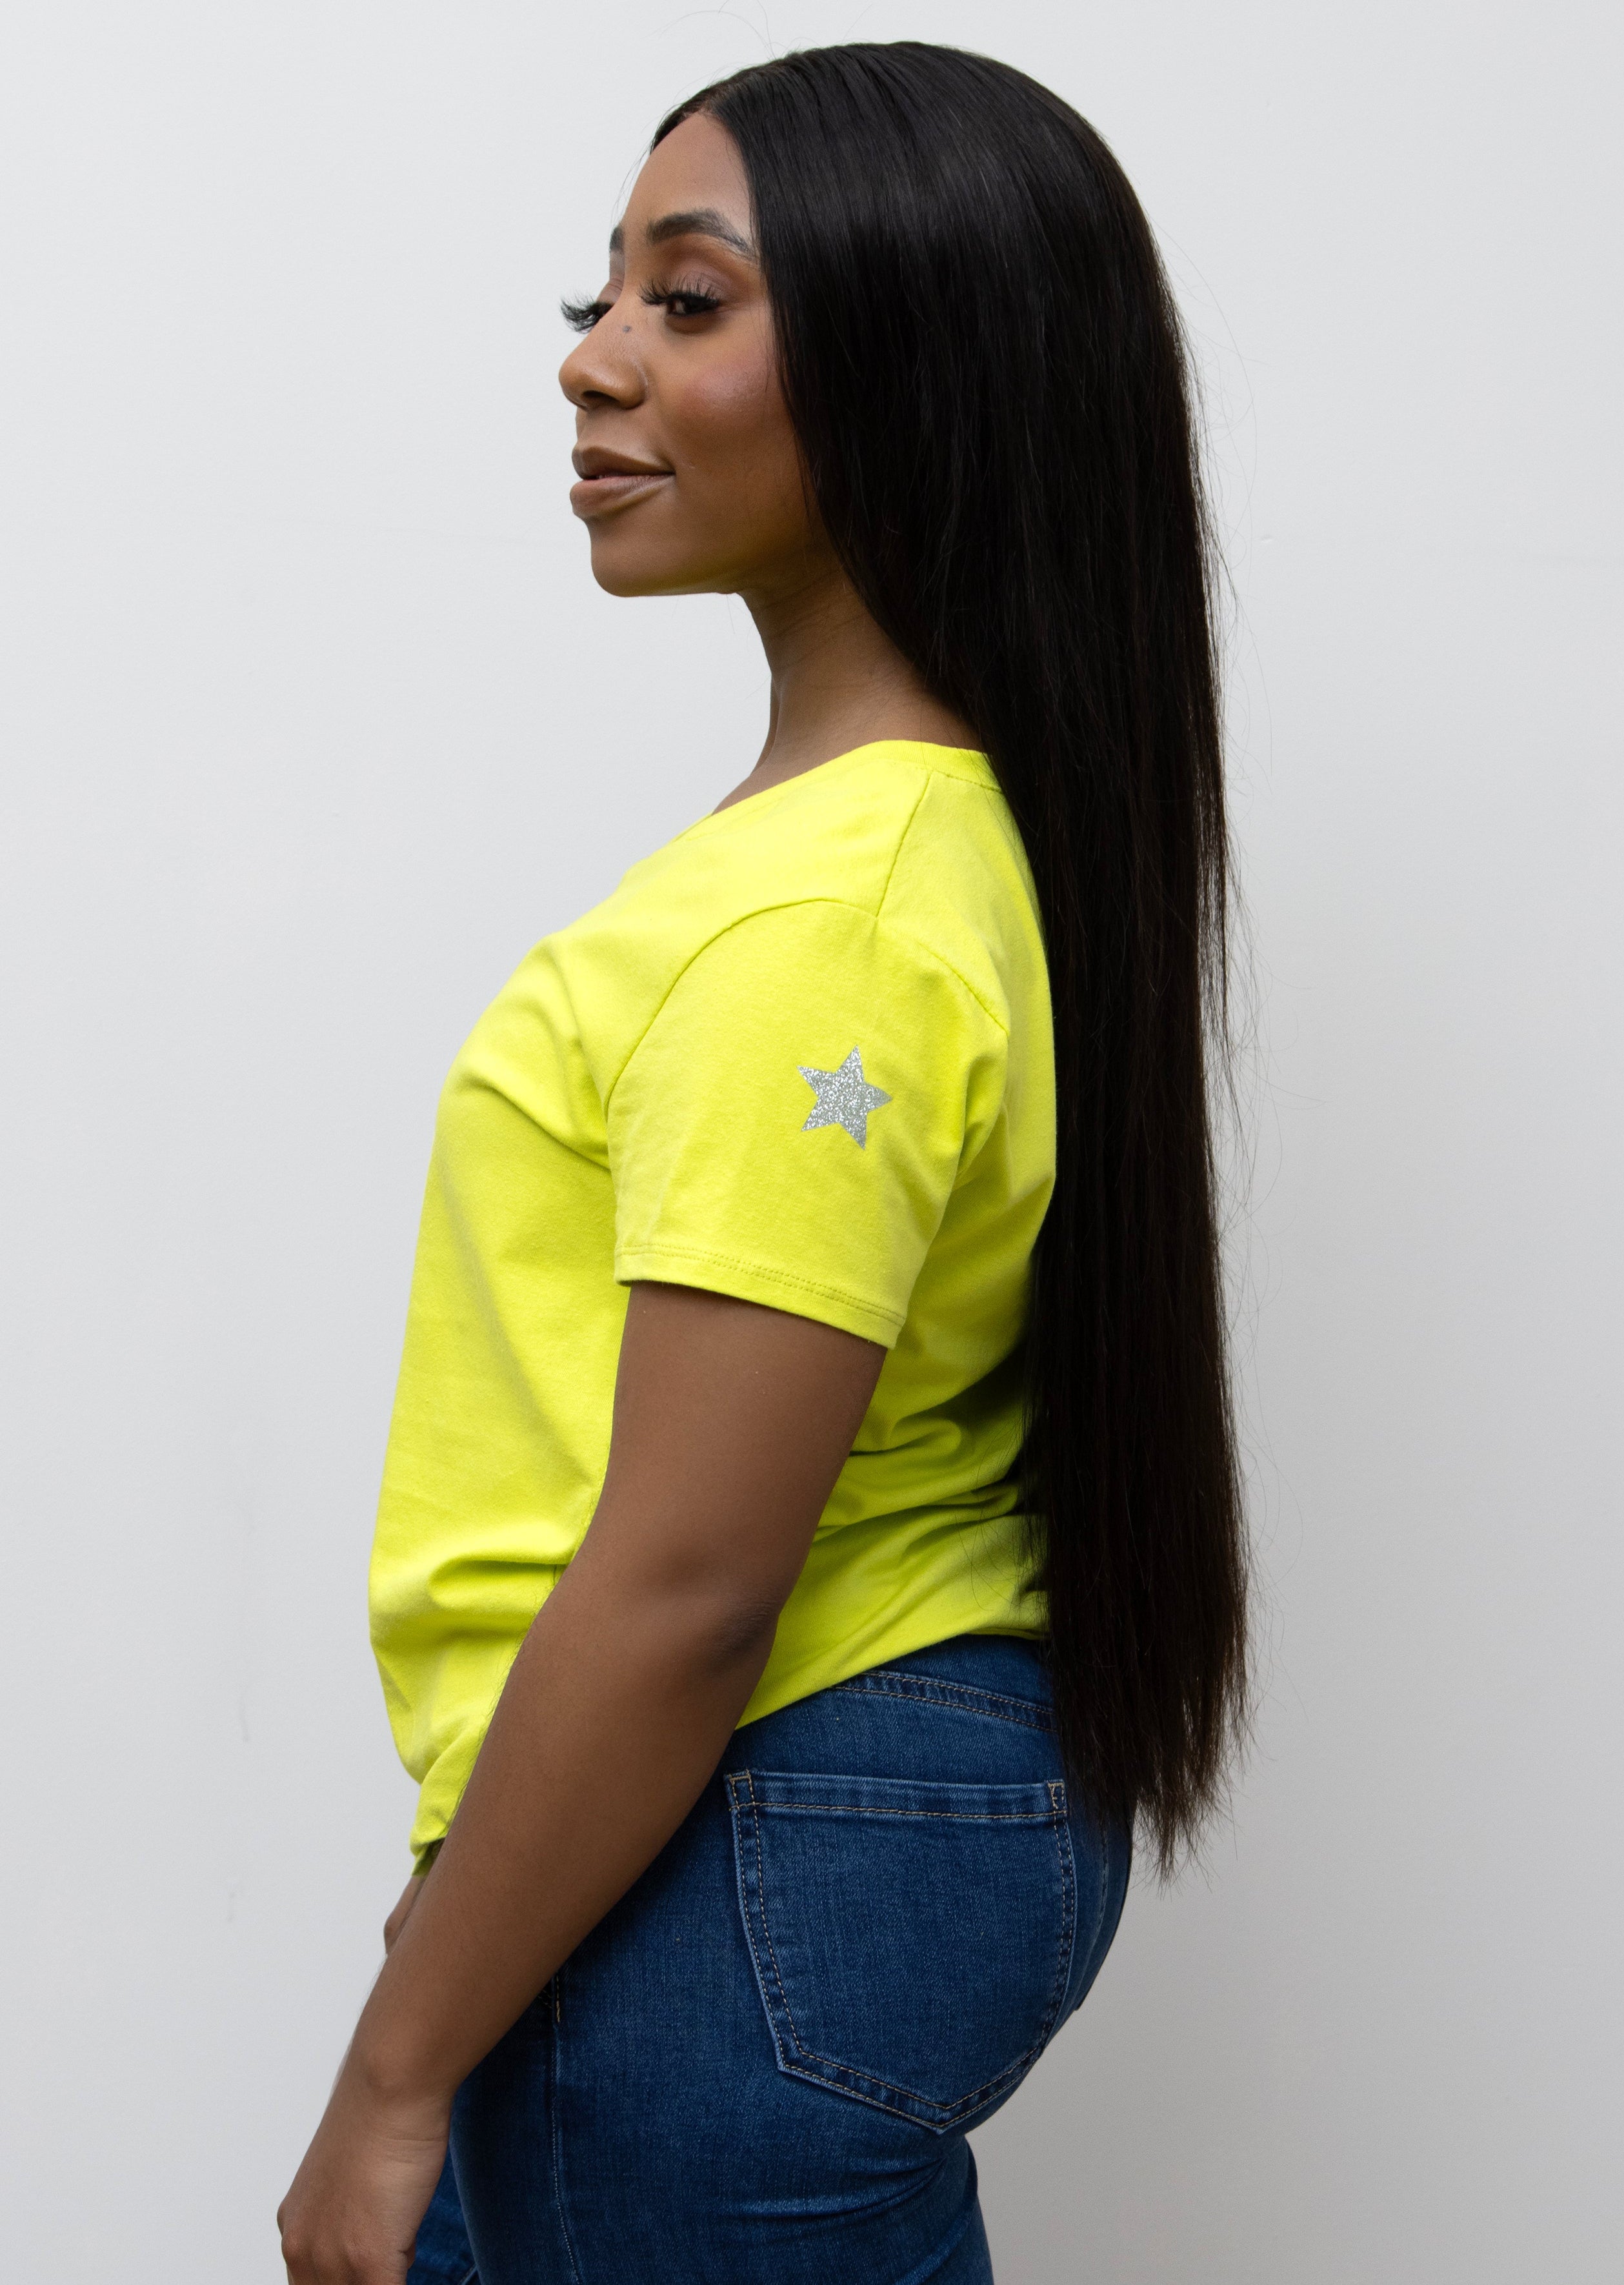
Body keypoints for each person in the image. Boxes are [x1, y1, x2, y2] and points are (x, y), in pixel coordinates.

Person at [277, 40, 1249, 2285]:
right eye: (600, 292)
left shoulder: (821, 922)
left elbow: (695, 1576)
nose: (589, 362)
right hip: (813, 1817)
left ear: (926, 357)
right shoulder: (914, 851)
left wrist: (388, 2074)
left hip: (765, 1811)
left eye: (686, 301)